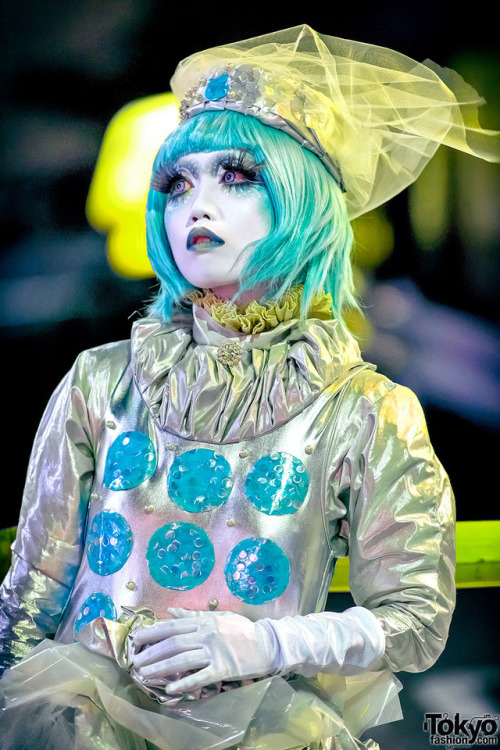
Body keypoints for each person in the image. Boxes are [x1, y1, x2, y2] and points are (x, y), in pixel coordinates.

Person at [0, 24, 498, 750]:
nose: (196, 205)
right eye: (177, 182)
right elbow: (32, 591)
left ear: (303, 204)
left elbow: (415, 619)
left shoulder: (365, 410)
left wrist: (267, 646)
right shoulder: (100, 382)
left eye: (236, 176)